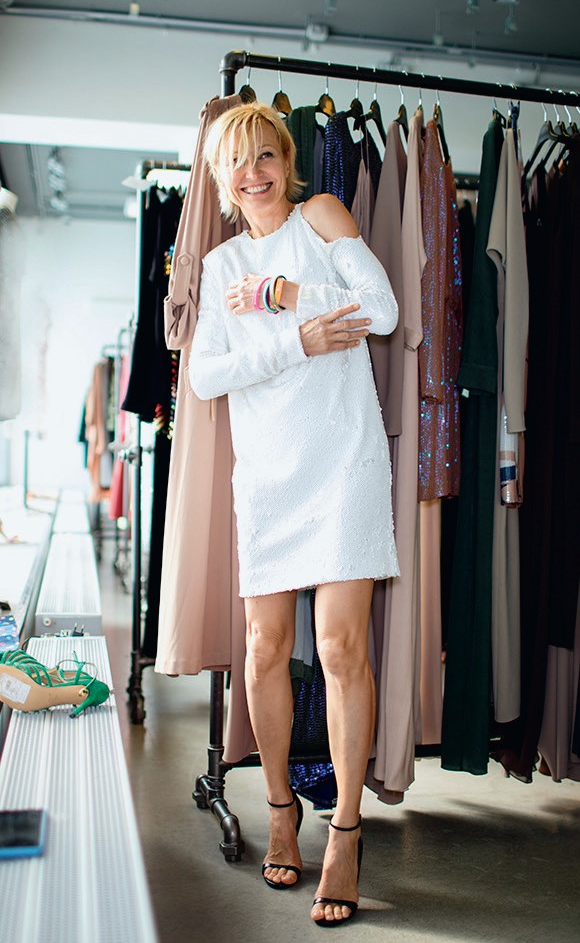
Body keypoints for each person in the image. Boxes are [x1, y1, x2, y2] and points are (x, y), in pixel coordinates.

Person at [189, 101, 400, 927]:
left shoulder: (321, 217)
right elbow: (207, 376)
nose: (255, 174)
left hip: (343, 462)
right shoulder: (218, 263)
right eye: (238, 162)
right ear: (221, 177)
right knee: (264, 646)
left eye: (267, 156)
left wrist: (284, 294)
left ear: (287, 160)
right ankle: (280, 808)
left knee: (343, 647)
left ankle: (344, 829)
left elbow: (381, 312)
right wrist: (298, 338)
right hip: (269, 473)